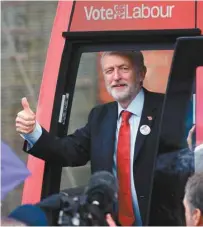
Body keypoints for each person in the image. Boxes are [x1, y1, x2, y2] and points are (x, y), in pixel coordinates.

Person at [15, 51, 186, 226]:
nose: (116, 76)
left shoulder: (169, 109)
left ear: (141, 73)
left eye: (124, 68)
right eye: (109, 71)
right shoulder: (100, 116)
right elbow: (70, 151)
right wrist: (32, 131)